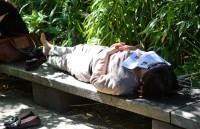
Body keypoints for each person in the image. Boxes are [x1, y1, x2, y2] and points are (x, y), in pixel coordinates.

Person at [40, 33, 180, 100]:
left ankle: (47, 55)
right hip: (100, 51)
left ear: (145, 79)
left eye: (149, 66)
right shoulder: (160, 67)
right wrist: (126, 48)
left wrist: (106, 55)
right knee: (74, 48)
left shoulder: (121, 85)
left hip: (85, 65)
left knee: (62, 60)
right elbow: (138, 53)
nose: (149, 61)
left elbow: (96, 81)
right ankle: (51, 47)